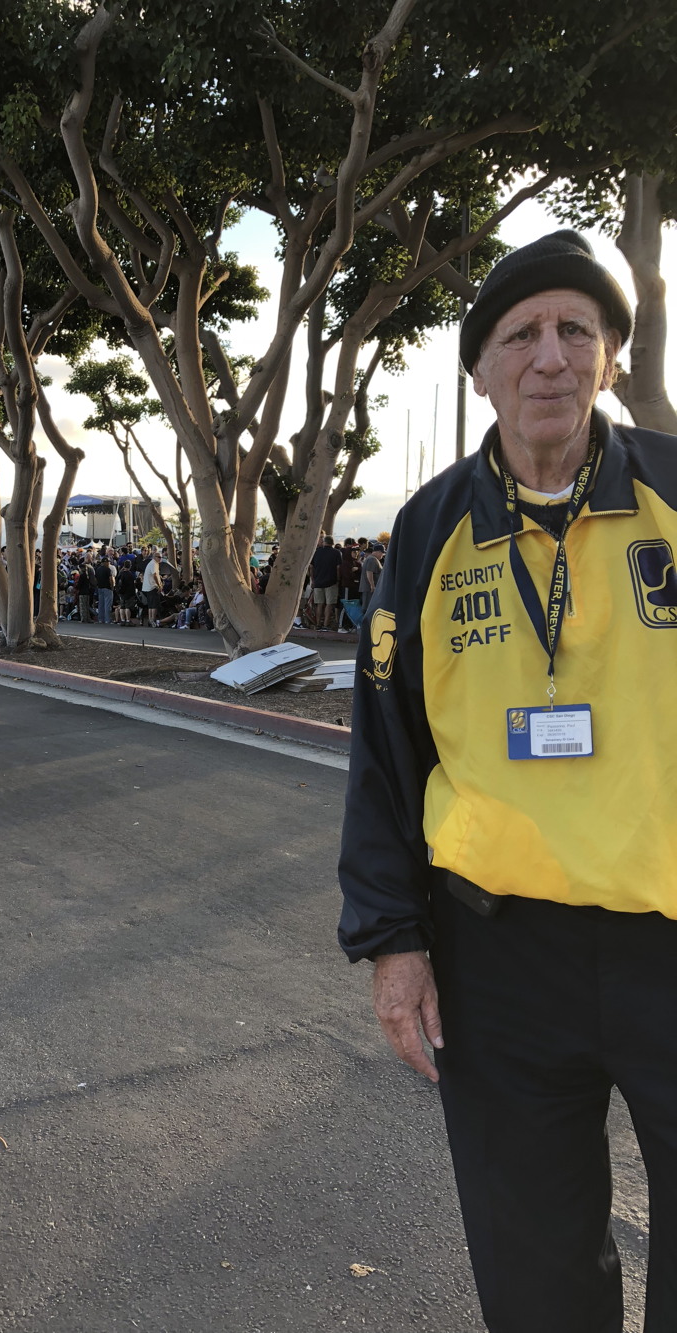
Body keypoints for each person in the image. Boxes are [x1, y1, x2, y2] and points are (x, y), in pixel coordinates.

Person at [337, 229, 677, 1333]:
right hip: (500, 962)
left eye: (576, 330)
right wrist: (394, 942)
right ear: (479, 369)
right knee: (536, 1275)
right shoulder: (427, 531)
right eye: (519, 335)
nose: (550, 358)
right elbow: (385, 752)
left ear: (611, 361)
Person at [308, 534, 342, 628]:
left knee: (319, 604)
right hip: (331, 581)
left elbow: (311, 567)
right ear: (332, 543)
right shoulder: (336, 553)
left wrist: (312, 580)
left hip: (318, 582)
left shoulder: (316, 552)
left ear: (324, 542)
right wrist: (338, 579)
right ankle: (326, 624)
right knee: (329, 604)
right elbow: (338, 567)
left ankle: (318, 623)